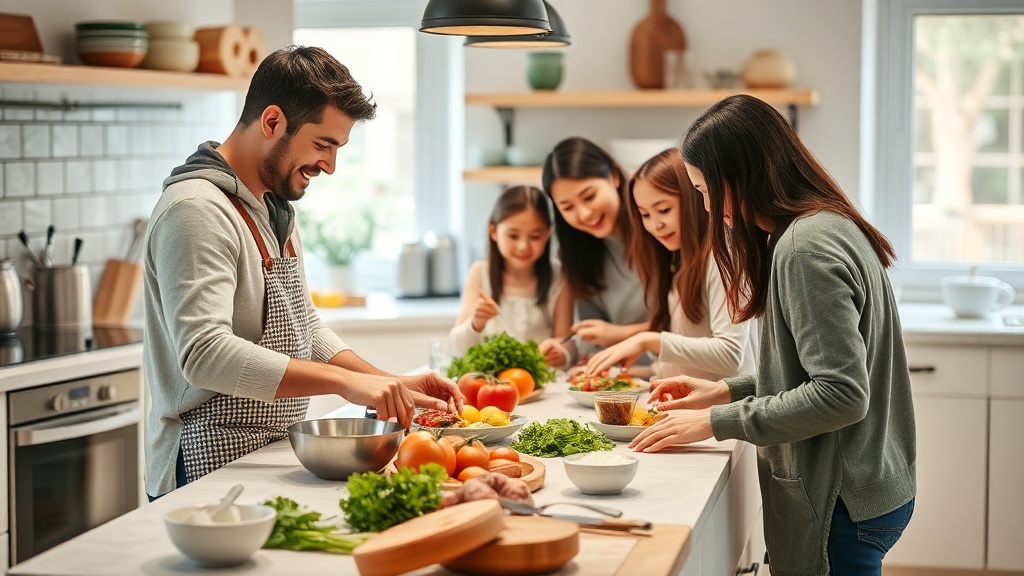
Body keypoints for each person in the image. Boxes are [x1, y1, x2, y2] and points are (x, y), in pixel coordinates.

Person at [143, 46, 462, 500]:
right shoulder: (197, 210)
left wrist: (385, 384)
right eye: (323, 144)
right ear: (272, 122)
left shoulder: (274, 209)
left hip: (267, 450)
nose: (330, 166)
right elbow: (205, 355)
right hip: (202, 460)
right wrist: (347, 384)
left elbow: (303, 324)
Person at [632, 95, 916, 574]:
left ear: (740, 178)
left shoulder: (804, 249)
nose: (704, 206)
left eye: (704, 190)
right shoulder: (827, 225)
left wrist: (717, 421)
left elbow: (841, 394)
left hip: (840, 500)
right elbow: (815, 367)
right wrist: (726, 389)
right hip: (871, 484)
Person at [584, 148, 757, 381]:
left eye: (664, 210)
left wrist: (648, 340)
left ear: (695, 198)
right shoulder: (680, 262)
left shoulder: (722, 255)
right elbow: (688, 366)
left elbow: (731, 354)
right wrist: (621, 375)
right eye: (645, 215)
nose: (656, 225)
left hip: (723, 412)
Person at [540, 137, 652, 370]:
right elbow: (594, 337)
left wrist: (620, 333)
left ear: (614, 176)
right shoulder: (578, 253)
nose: (584, 214)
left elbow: (690, 328)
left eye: (589, 196)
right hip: (623, 377)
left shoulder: (660, 230)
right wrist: (564, 352)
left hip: (675, 374)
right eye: (567, 207)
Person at [450, 185, 574, 368]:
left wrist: (562, 353)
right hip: (489, 382)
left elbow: (566, 339)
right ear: (493, 232)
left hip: (541, 383)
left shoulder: (560, 277)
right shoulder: (480, 273)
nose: (523, 246)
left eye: (535, 236)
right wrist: (476, 323)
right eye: (513, 236)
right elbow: (457, 347)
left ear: (548, 233)